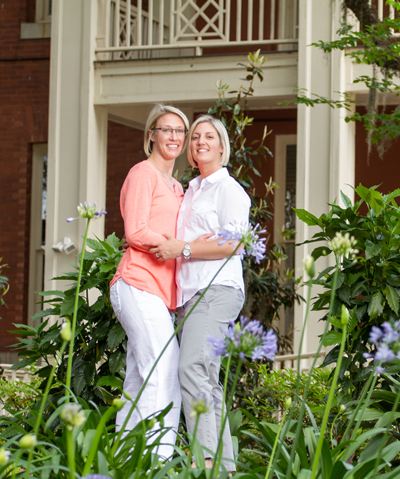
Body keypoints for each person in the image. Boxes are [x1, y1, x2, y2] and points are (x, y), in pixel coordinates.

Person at [145, 114, 250, 472]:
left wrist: (184, 249)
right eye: (195, 138)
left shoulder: (229, 190)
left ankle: (206, 462)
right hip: (190, 294)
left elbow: (233, 244)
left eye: (208, 136)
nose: (200, 142)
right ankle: (225, 467)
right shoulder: (191, 189)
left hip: (217, 289)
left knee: (191, 367)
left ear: (222, 146)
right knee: (205, 376)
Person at [109, 104, 189, 459]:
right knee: (164, 371)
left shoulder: (176, 186)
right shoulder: (143, 173)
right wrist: (173, 248)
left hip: (158, 292)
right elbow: (135, 230)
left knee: (139, 380)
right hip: (137, 282)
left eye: (179, 131)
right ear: (151, 136)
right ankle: (157, 461)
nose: (173, 136)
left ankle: (123, 462)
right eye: (166, 129)